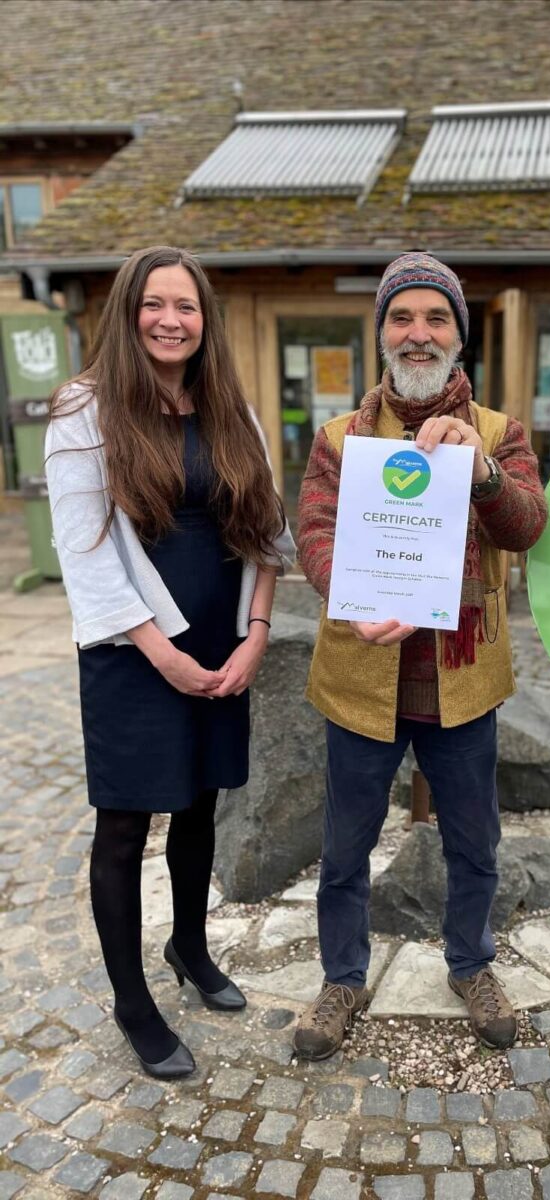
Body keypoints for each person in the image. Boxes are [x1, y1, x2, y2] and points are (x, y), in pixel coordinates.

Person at [46, 246, 296, 1079]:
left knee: (199, 806)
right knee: (125, 825)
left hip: (223, 641)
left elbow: (264, 528)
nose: (169, 320)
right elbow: (83, 553)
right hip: (132, 652)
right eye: (154, 304)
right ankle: (133, 1002)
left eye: (185, 307)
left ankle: (189, 947)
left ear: (204, 319)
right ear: (127, 312)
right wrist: (162, 651)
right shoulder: (85, 412)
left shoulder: (229, 408)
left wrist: (257, 631)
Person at [295, 253, 547, 1060]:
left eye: (435, 318)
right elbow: (314, 533)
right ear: (381, 337)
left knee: (475, 843)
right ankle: (342, 978)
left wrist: (479, 474)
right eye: (401, 318)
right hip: (361, 680)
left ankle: (469, 963)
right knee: (344, 847)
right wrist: (355, 595)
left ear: (457, 339)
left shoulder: (501, 433)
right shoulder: (340, 438)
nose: (417, 333)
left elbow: (528, 526)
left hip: (462, 684)